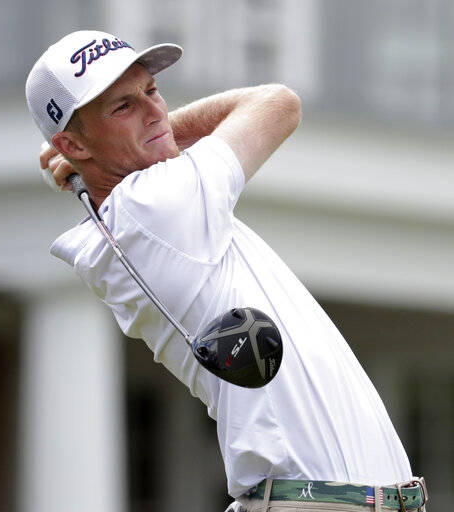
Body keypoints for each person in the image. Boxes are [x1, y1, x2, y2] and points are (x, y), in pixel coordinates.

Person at [26, 30, 428, 512]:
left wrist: (120, 139)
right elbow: (278, 102)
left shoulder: (144, 211)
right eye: (122, 108)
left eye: (151, 91)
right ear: (72, 142)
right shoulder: (155, 205)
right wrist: (163, 128)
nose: (154, 111)